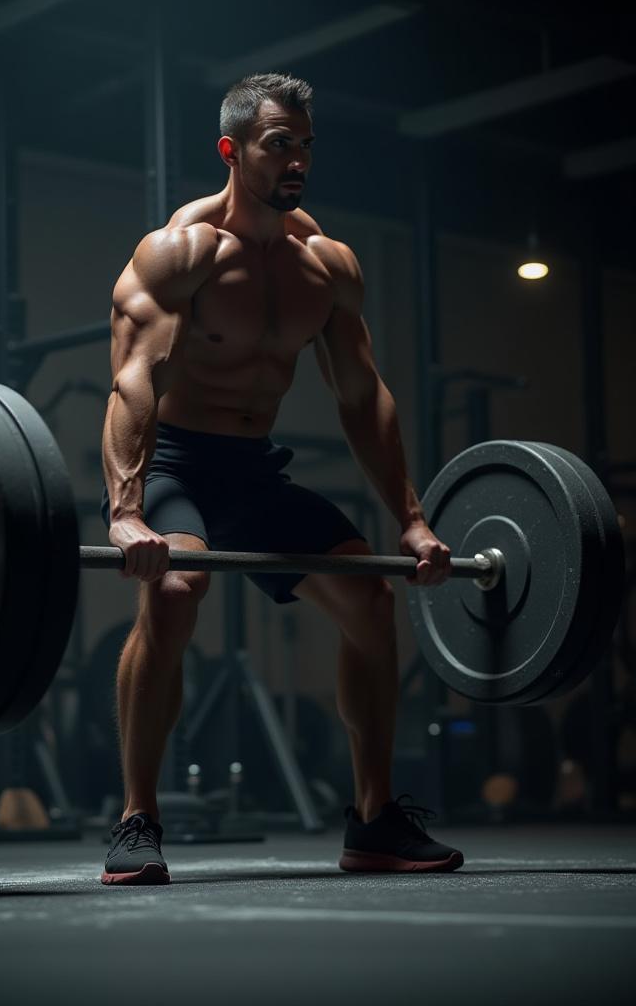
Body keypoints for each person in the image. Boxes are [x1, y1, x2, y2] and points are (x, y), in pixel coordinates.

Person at [99, 73, 463, 886]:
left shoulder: (325, 266)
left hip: (253, 472)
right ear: (231, 150)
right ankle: (136, 817)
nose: (296, 160)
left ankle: (373, 820)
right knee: (176, 589)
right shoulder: (180, 253)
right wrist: (126, 512)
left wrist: (411, 519)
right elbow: (133, 384)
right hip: (174, 463)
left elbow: (362, 398)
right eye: (278, 145)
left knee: (371, 599)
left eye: (305, 145)